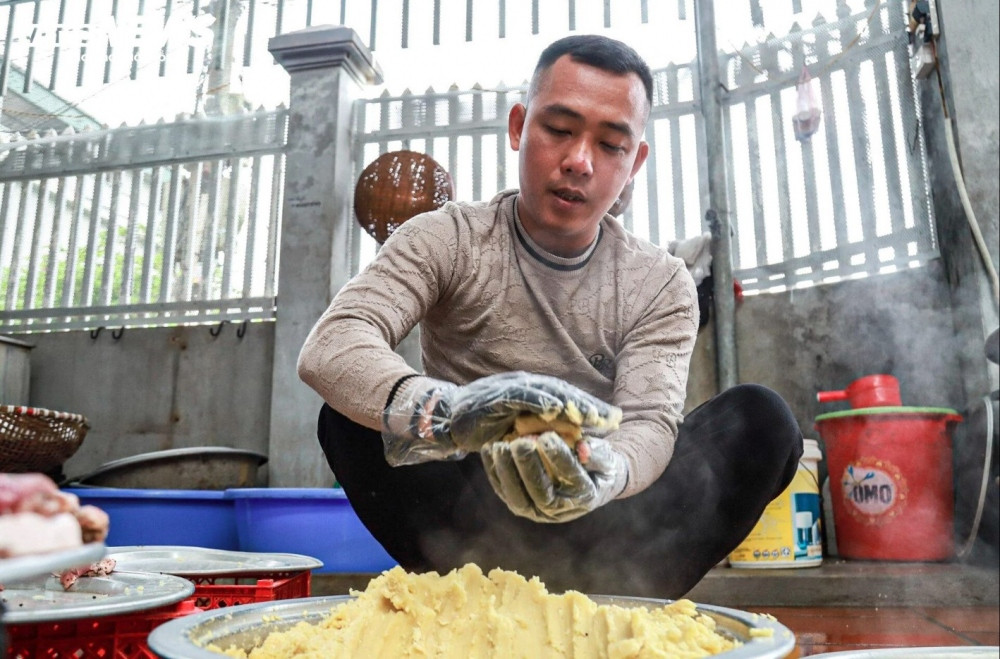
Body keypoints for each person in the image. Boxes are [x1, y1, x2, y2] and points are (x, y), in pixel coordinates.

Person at [298, 34, 803, 598]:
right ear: (518, 126)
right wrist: (453, 412)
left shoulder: (660, 281)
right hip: (469, 514)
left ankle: (618, 601)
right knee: (350, 417)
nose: (579, 161)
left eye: (611, 145)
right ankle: (476, 597)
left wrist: (603, 471)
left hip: (606, 523)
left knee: (762, 421)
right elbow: (334, 344)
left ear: (634, 161)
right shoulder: (447, 238)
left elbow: (649, 422)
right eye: (559, 130)